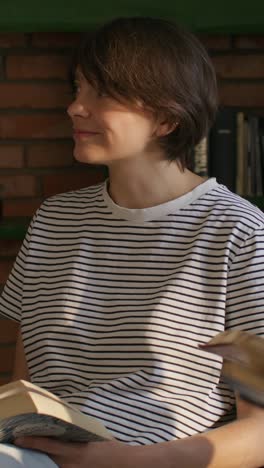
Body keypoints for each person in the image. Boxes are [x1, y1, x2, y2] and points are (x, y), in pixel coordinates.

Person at [0, 16, 264, 468]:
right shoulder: (53, 220)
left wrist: (129, 461)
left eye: (99, 93)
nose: (74, 108)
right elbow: (26, 389)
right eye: (77, 89)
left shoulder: (238, 232)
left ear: (165, 117)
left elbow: (260, 433)